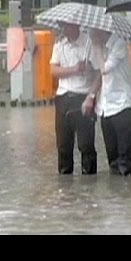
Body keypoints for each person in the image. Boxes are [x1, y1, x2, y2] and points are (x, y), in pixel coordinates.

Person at [50, 22, 100, 175]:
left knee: (86, 145)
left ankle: (89, 184)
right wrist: (74, 69)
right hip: (63, 97)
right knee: (63, 146)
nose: (64, 29)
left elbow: (99, 74)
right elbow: (53, 70)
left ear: (76, 25)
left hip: (83, 97)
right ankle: (65, 187)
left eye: (68, 26)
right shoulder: (59, 44)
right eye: (63, 26)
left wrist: (91, 97)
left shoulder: (89, 43)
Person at [89, 28, 131, 176]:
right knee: (112, 158)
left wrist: (97, 48)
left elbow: (105, 69)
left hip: (122, 104)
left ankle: (125, 191)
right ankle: (114, 194)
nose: (92, 36)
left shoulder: (119, 44)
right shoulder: (100, 47)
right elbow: (97, 72)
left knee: (124, 159)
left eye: (94, 32)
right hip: (105, 107)